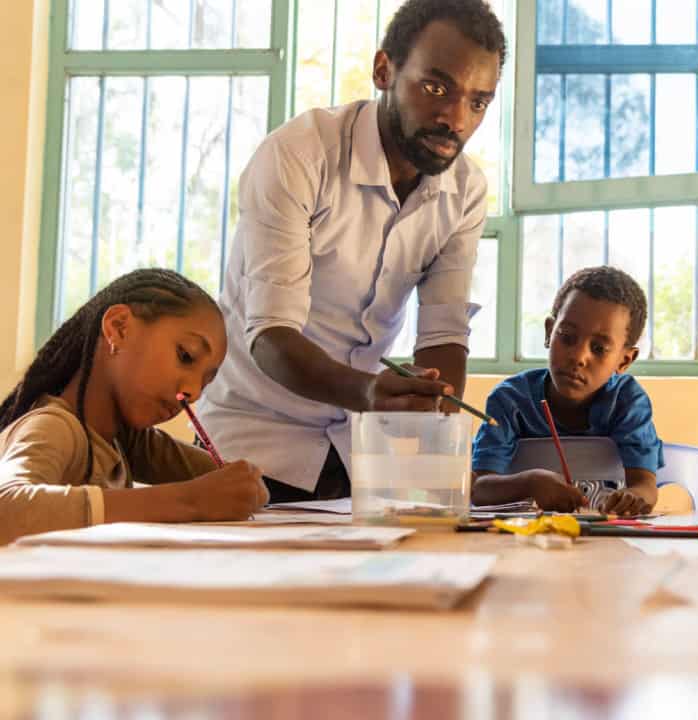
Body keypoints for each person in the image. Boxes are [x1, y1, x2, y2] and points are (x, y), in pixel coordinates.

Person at [195, 0, 507, 502]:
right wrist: (370, 395)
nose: (455, 118)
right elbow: (271, 336)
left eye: (478, 101)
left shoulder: (465, 191)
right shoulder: (300, 154)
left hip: (353, 454)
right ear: (383, 70)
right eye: (436, 87)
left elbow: (444, 334)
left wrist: (436, 442)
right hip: (248, 449)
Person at [0, 269, 267, 545]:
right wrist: (189, 500)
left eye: (206, 381)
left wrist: (242, 485)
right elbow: (5, 509)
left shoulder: (124, 440)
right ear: (119, 328)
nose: (194, 392)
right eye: (185, 356)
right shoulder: (55, 426)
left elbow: (232, 482)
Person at [471, 267, 661, 516]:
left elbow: (646, 486)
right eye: (567, 337)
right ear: (550, 332)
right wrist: (532, 481)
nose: (578, 356)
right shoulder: (510, 401)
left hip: (607, 545)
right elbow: (479, 488)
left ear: (625, 360)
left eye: (599, 348)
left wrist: (633, 497)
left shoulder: (628, 403)